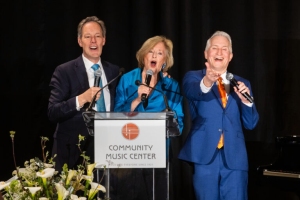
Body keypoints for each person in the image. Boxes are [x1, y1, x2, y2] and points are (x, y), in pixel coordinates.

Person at [178, 31, 259, 200]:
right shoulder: (193, 77)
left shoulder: (241, 82)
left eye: (224, 49)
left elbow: (251, 123)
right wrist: (207, 81)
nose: (220, 53)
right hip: (205, 155)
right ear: (206, 54)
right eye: (215, 48)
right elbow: (193, 91)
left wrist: (247, 102)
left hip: (235, 158)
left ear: (230, 56)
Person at [112, 36, 184, 200]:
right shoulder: (127, 80)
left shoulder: (171, 86)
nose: (153, 56)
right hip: (129, 152)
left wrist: (169, 119)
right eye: (150, 51)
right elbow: (116, 116)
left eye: (159, 53)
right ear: (143, 55)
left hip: (158, 155)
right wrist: (137, 100)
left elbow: (179, 122)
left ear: (165, 60)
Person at [48, 16, 120, 171]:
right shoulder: (64, 71)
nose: (93, 41)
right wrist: (81, 99)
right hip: (73, 153)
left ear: (104, 40)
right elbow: (53, 112)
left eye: (97, 36)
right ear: (80, 41)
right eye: (88, 37)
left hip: (108, 150)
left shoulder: (114, 71)